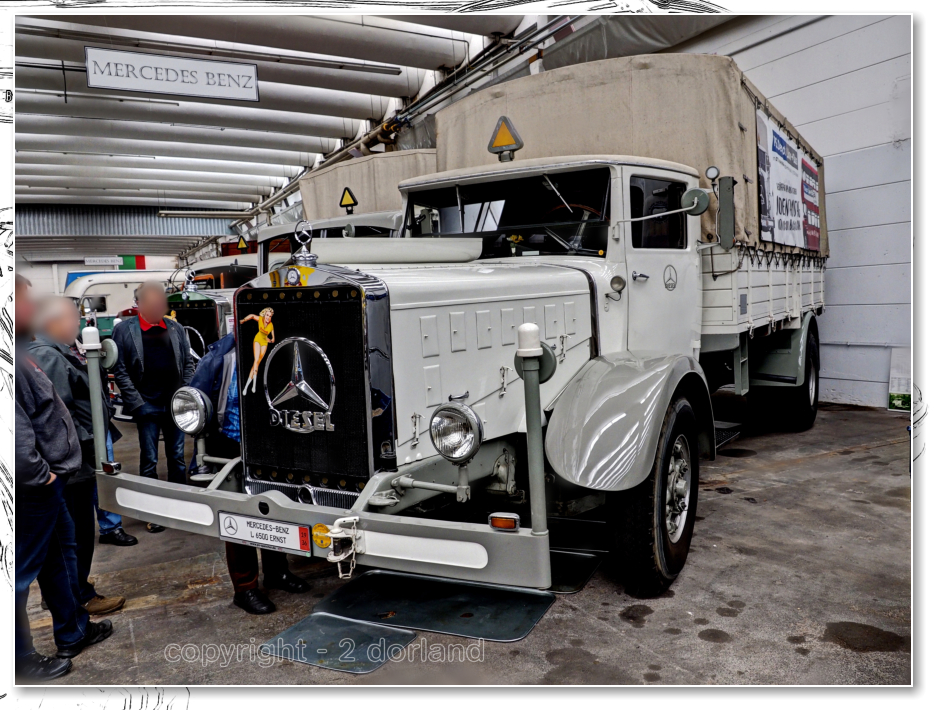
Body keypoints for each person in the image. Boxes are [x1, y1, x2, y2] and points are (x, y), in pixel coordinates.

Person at [14, 275, 114, 682]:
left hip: (47, 484)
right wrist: (43, 476)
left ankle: (72, 632)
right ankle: (18, 660)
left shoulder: (21, 352)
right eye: (25, 300)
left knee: (60, 559)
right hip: (34, 487)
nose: (31, 308)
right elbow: (14, 434)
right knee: (18, 575)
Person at [189, 332, 310, 615]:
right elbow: (195, 404)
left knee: (276, 508)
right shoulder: (220, 356)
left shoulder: (282, 346)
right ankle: (244, 588)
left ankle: (277, 572)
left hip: (273, 443)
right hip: (232, 444)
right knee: (239, 515)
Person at [28, 296, 132, 618]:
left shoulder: (57, 350)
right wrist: (85, 450)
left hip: (73, 459)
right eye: (73, 318)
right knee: (77, 534)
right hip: (73, 464)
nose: (78, 324)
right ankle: (79, 596)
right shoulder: (48, 355)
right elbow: (60, 418)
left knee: (71, 535)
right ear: (54, 322)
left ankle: (68, 592)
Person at [111, 281, 195, 533]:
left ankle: (181, 507)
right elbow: (120, 370)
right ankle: (154, 512)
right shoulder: (124, 330)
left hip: (175, 405)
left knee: (177, 457)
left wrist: (184, 395)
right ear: (139, 304)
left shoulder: (175, 328)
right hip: (147, 405)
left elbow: (188, 363)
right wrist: (137, 403)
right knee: (149, 460)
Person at [239, 307, 273, 395]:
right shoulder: (260, 319)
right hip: (257, 340)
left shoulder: (271, 325)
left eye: (270, 316)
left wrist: (270, 339)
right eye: (267, 315)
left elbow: (272, 338)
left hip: (264, 343)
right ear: (264, 314)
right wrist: (244, 320)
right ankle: (253, 385)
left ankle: (247, 387)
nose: (268, 317)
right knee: (256, 360)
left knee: (257, 363)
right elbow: (252, 316)